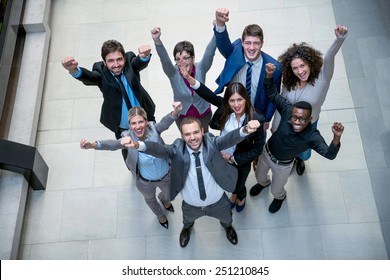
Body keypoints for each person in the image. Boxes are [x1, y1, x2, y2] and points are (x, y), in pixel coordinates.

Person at [122, 117, 261, 247]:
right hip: (191, 205)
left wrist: (245, 130)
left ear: (202, 131)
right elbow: (159, 149)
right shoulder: (177, 149)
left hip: (218, 202)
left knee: (227, 219)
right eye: (187, 134)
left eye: (196, 132)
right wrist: (137, 145)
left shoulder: (211, 142)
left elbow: (227, 139)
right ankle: (187, 228)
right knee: (187, 220)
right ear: (182, 136)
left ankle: (228, 227)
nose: (192, 137)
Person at [250, 63, 345, 213]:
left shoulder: (312, 136)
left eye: (301, 119)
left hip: (283, 166)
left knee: (276, 190)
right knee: (259, 177)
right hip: (266, 154)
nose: (296, 121)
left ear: (310, 119)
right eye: (295, 117)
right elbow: (273, 94)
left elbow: (330, 154)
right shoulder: (288, 109)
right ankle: (263, 184)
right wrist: (268, 75)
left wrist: (336, 138)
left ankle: (280, 197)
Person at [79, 102, 182, 229]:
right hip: (145, 181)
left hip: (166, 176)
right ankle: (160, 215)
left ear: (146, 122)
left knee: (169, 196)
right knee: (150, 199)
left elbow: (165, 123)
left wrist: (176, 112)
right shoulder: (127, 137)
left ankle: (164, 200)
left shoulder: (154, 129)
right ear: (129, 125)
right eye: (133, 123)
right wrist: (92, 145)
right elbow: (113, 144)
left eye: (140, 122)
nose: (138, 127)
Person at [180, 65, 265, 212]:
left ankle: (240, 195)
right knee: (227, 178)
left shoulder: (256, 118)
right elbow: (207, 94)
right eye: (232, 101)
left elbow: (258, 148)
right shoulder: (225, 109)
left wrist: (233, 159)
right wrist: (189, 79)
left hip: (240, 159)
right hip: (221, 154)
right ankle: (233, 194)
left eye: (240, 100)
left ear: (246, 99)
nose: (236, 105)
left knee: (239, 183)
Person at [271, 25, 348, 176]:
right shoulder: (289, 81)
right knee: (286, 145)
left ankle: (300, 160)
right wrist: (275, 126)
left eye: (302, 65)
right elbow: (281, 103)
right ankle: (290, 159)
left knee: (304, 152)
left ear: (310, 63)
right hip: (287, 121)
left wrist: (339, 39)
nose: (300, 71)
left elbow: (329, 57)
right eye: (295, 68)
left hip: (308, 124)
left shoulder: (323, 79)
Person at [61, 39, 156, 141]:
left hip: (145, 118)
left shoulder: (129, 61)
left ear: (124, 58)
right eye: (110, 61)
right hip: (122, 127)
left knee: (157, 147)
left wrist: (144, 56)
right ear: (104, 62)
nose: (116, 65)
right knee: (130, 155)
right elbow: (91, 77)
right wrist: (74, 70)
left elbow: (137, 63)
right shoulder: (100, 70)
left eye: (119, 59)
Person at [213, 7, 282, 131]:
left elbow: (274, 97)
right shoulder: (235, 53)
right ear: (243, 43)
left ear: (262, 43)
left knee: (255, 147)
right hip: (232, 112)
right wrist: (220, 24)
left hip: (256, 114)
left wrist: (267, 119)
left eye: (256, 43)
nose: (251, 47)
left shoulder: (274, 67)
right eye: (248, 43)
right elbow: (223, 44)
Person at [151, 27, 216, 132]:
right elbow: (164, 58)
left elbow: (210, 52)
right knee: (188, 141)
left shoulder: (201, 68)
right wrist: (157, 41)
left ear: (193, 58)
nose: (182, 62)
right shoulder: (173, 73)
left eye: (186, 58)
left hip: (203, 113)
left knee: (204, 138)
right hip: (183, 116)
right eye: (178, 59)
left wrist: (218, 29)